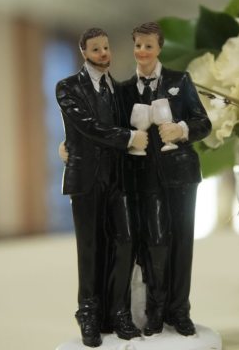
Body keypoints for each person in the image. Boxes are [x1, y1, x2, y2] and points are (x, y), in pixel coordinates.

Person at [55, 27, 148, 347]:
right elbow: (88, 126)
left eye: (106, 48)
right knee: (91, 249)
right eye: (96, 50)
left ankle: (118, 310)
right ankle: (89, 313)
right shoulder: (67, 88)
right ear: (84, 52)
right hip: (87, 179)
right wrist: (127, 138)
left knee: (126, 241)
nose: (104, 54)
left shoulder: (120, 89)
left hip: (118, 177)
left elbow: (132, 120)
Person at [119, 21, 211, 336]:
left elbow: (204, 123)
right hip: (144, 177)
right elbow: (114, 131)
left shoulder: (179, 80)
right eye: (138, 45)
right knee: (155, 243)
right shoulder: (126, 89)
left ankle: (179, 311)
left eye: (148, 46)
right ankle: (155, 310)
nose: (142, 51)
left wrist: (181, 130)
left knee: (182, 244)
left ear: (159, 48)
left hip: (181, 174)